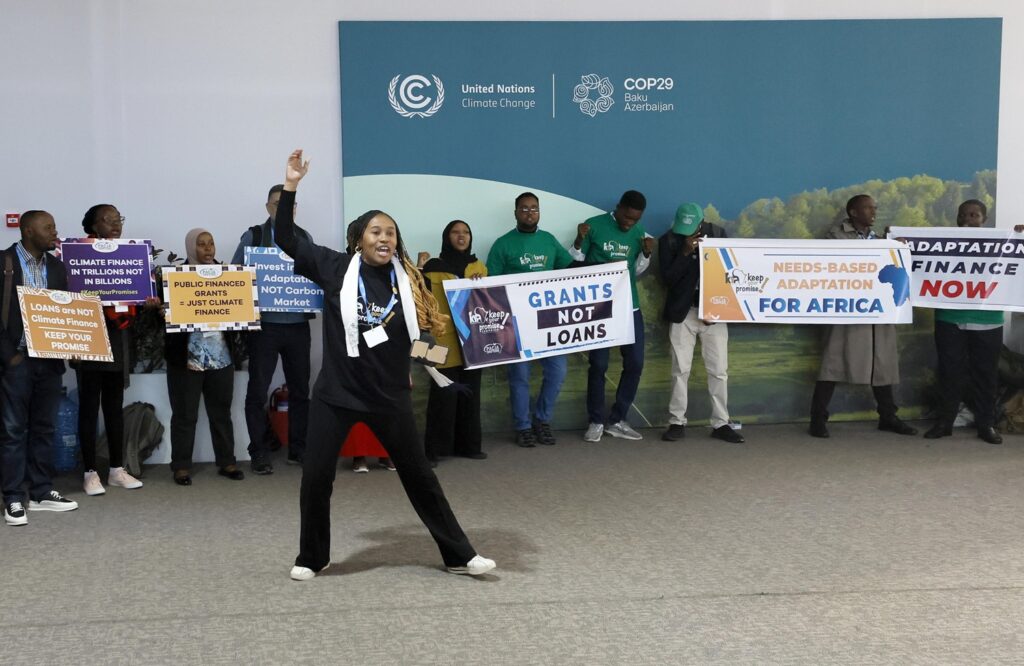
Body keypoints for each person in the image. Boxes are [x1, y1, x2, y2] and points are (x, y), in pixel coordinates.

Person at [276, 149, 494, 581]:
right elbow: (285, 238)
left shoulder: (409, 278)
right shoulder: (335, 268)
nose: (385, 238)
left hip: (389, 397)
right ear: (359, 238)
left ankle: (458, 555)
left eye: (391, 233)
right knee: (316, 479)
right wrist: (291, 186)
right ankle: (311, 558)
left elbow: (420, 335)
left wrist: (439, 369)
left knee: (421, 479)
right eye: (376, 231)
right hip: (336, 396)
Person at [809, 194, 917, 438]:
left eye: (874, 207)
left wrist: (895, 247)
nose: (873, 211)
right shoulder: (835, 235)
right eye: (867, 207)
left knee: (882, 362)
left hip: (877, 309)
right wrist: (885, 246)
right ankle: (817, 418)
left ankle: (888, 416)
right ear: (853, 212)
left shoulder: (880, 238)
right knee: (833, 362)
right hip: (846, 308)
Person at [923, 200, 1024, 444]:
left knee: (986, 375)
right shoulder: (943, 242)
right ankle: (945, 422)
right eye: (964, 214)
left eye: (974, 214)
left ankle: (986, 424)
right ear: (957, 218)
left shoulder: (1002, 243)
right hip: (950, 318)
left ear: (984, 218)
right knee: (949, 373)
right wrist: (898, 240)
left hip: (988, 319)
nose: (969, 218)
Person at [2, 210, 78, 525]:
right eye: (48, 227)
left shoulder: (57, 268)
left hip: (48, 361)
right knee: (12, 430)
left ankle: (42, 491)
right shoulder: (4, 264)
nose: (54, 232)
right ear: (28, 230)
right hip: (15, 362)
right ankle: (13, 498)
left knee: (45, 428)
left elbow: (65, 312)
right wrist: (9, 357)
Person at [231, 184, 314, 474]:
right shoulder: (254, 236)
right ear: (268, 208)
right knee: (257, 391)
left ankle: (299, 449)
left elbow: (313, 274)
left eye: (290, 205)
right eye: (279, 204)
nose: (285, 209)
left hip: (298, 326)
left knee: (301, 390)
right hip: (264, 327)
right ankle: (259, 453)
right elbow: (235, 277)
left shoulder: (304, 238)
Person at [486, 192, 575, 447]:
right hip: (516, 324)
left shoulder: (548, 240)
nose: (529, 213)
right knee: (519, 376)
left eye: (534, 209)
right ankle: (523, 426)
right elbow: (492, 285)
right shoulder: (503, 244)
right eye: (524, 209)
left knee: (558, 372)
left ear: (539, 212)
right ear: (515, 212)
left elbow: (569, 270)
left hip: (550, 321)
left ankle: (542, 420)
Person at [569, 191, 653, 442]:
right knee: (599, 364)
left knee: (635, 363)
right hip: (599, 307)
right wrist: (578, 239)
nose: (629, 224)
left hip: (630, 306)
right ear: (618, 208)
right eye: (626, 217)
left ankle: (617, 419)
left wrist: (646, 254)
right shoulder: (593, 225)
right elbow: (575, 262)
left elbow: (636, 270)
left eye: (634, 220)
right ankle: (595, 420)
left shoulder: (639, 233)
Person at [164, 228, 246, 485]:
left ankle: (227, 461)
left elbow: (239, 313)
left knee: (221, 412)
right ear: (191, 248)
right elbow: (164, 318)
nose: (208, 249)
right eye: (202, 245)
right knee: (185, 414)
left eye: (211, 244)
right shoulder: (175, 278)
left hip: (221, 357)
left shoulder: (228, 277)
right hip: (186, 358)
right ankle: (181, 466)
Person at [658, 203, 745, 444]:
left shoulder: (718, 234)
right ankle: (676, 421)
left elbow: (729, 272)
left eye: (691, 227)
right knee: (680, 369)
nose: (686, 232)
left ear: (701, 221)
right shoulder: (669, 241)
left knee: (718, 370)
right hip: (682, 313)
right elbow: (668, 279)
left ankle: (720, 422)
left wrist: (716, 306)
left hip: (714, 313)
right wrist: (685, 252)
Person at [76, 204, 146, 496]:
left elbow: (137, 294)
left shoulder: (128, 255)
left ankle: (117, 469)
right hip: (90, 337)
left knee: (114, 408)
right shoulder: (78, 254)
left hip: (117, 339)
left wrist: (147, 297)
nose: (116, 224)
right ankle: (90, 472)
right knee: (90, 409)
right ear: (94, 225)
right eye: (109, 219)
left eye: (119, 219)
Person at [420, 220, 488, 463]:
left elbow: (489, 302)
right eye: (455, 232)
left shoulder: (478, 265)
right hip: (441, 341)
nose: (462, 237)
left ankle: (469, 446)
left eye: (466, 232)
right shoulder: (432, 267)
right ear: (446, 237)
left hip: (473, 341)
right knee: (442, 395)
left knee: (471, 394)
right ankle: (435, 450)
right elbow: (421, 302)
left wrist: (483, 285)